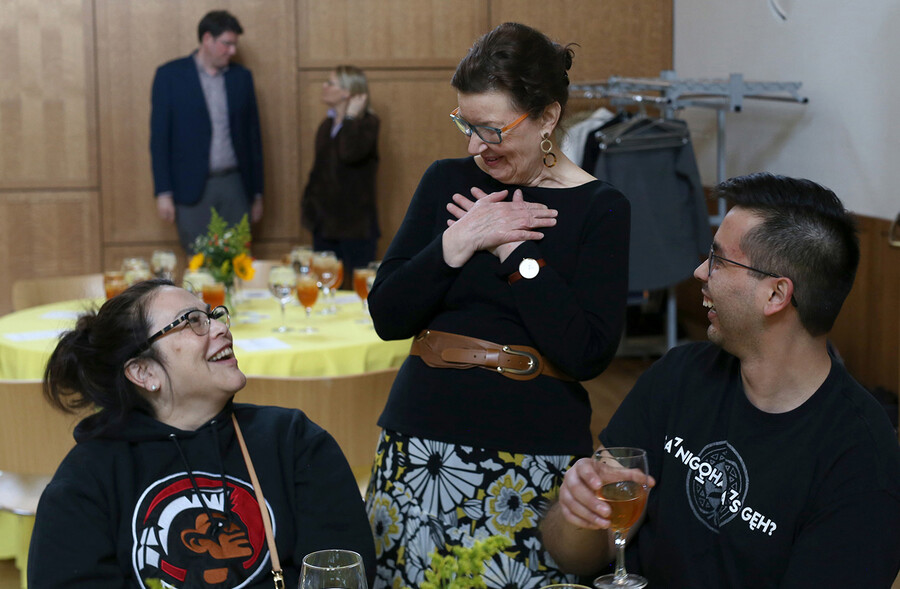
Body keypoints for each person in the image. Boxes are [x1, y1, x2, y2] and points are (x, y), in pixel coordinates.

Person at [364, 22, 631, 589]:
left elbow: (586, 353)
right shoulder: (446, 183)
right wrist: (457, 241)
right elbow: (388, 315)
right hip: (421, 442)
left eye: (491, 129)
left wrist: (513, 250)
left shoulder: (602, 208)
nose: (473, 146)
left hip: (534, 455)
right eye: (465, 124)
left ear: (548, 117)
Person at [540, 173, 900, 587]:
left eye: (718, 260)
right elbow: (574, 553)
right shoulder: (678, 376)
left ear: (776, 295)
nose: (698, 272)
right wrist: (578, 512)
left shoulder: (861, 461)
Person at [28, 279, 375, 588]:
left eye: (213, 315)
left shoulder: (293, 441)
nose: (221, 328)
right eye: (193, 322)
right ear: (144, 371)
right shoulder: (87, 479)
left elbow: (339, 574)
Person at [150, 10, 264, 254]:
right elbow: (159, 139)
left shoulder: (241, 78)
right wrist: (163, 192)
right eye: (227, 44)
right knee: (199, 263)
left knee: (238, 261)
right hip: (190, 188)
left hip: (235, 184)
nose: (232, 51)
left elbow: (253, 138)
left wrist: (257, 193)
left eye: (235, 44)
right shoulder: (170, 76)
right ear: (207, 39)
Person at [301, 65, 380, 289]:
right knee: (323, 289)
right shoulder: (326, 125)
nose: (324, 87)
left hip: (354, 226)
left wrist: (351, 116)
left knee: (357, 291)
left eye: (331, 83)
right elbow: (318, 172)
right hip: (324, 224)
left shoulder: (368, 124)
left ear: (347, 91)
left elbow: (349, 153)